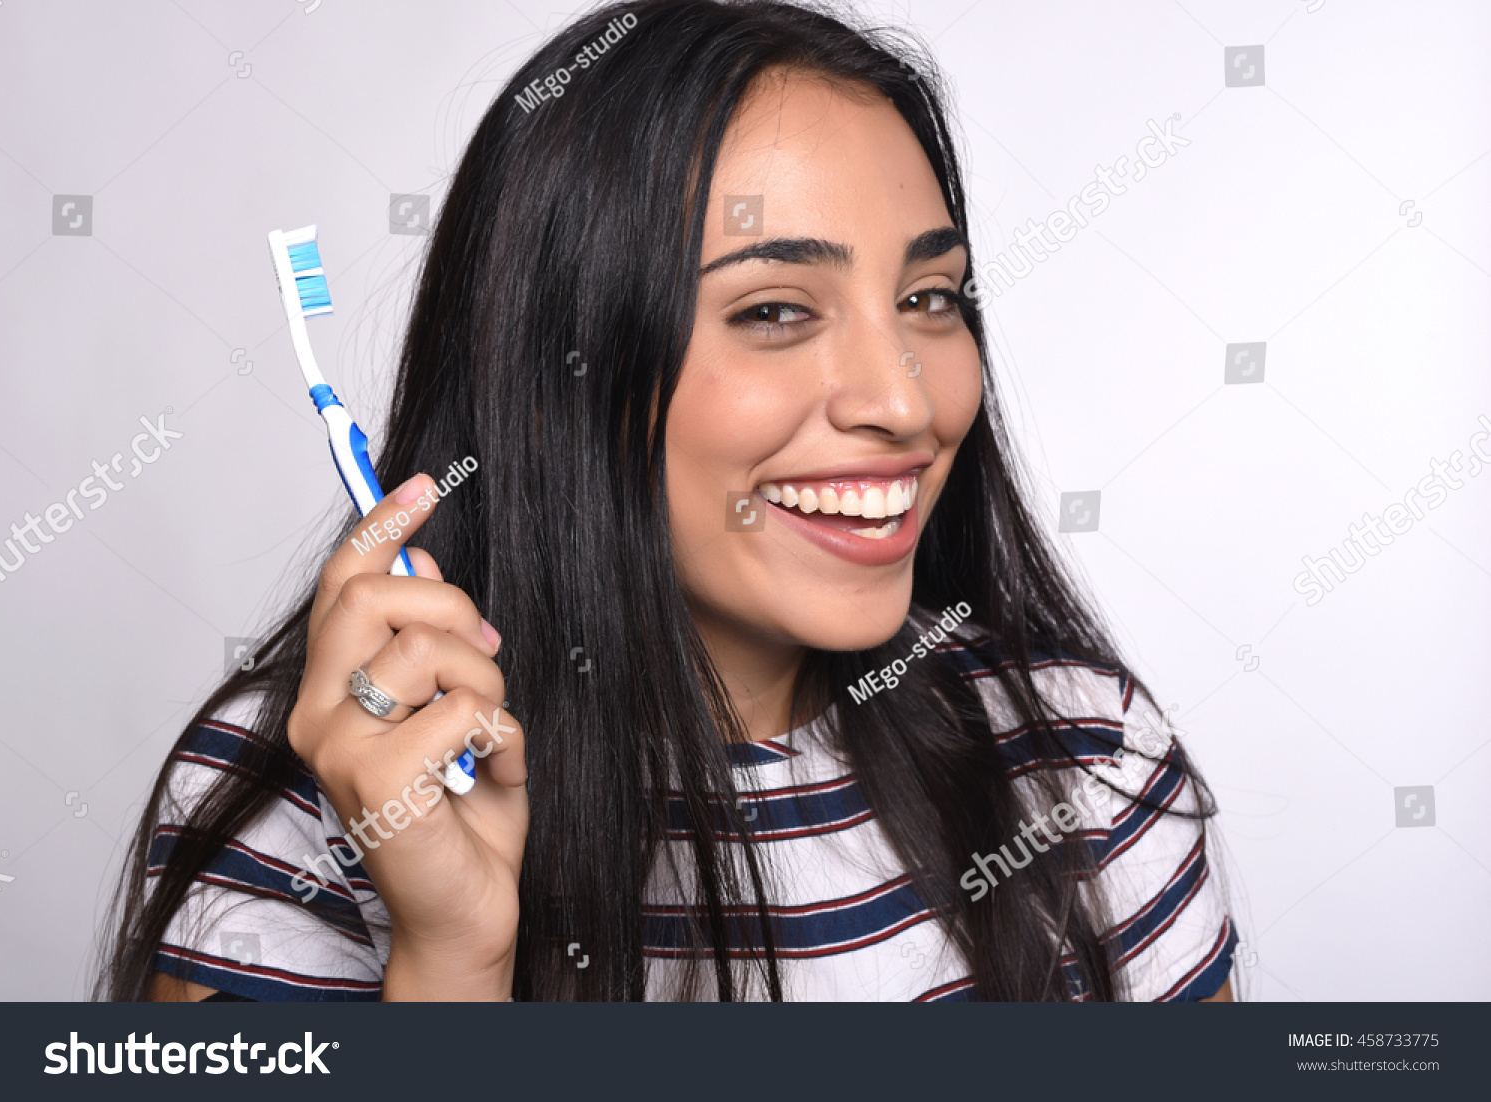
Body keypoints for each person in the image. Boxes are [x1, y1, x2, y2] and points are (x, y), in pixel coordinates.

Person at [103, 0, 1237, 1002]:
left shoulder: (1086, 763)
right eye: (777, 311)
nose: (906, 399)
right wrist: (450, 962)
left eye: (930, 296)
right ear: (555, 378)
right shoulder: (304, 803)